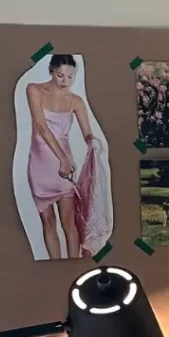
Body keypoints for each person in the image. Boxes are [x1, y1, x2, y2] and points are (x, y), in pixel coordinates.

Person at [26, 54, 97, 258]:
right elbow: (41, 127)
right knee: (48, 222)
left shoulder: (76, 101)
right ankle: (56, 267)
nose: (65, 81)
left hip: (64, 170)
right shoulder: (34, 89)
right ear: (51, 71)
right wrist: (63, 159)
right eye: (60, 75)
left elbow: (87, 132)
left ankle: (74, 266)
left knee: (69, 222)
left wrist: (93, 141)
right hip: (41, 165)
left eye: (70, 76)